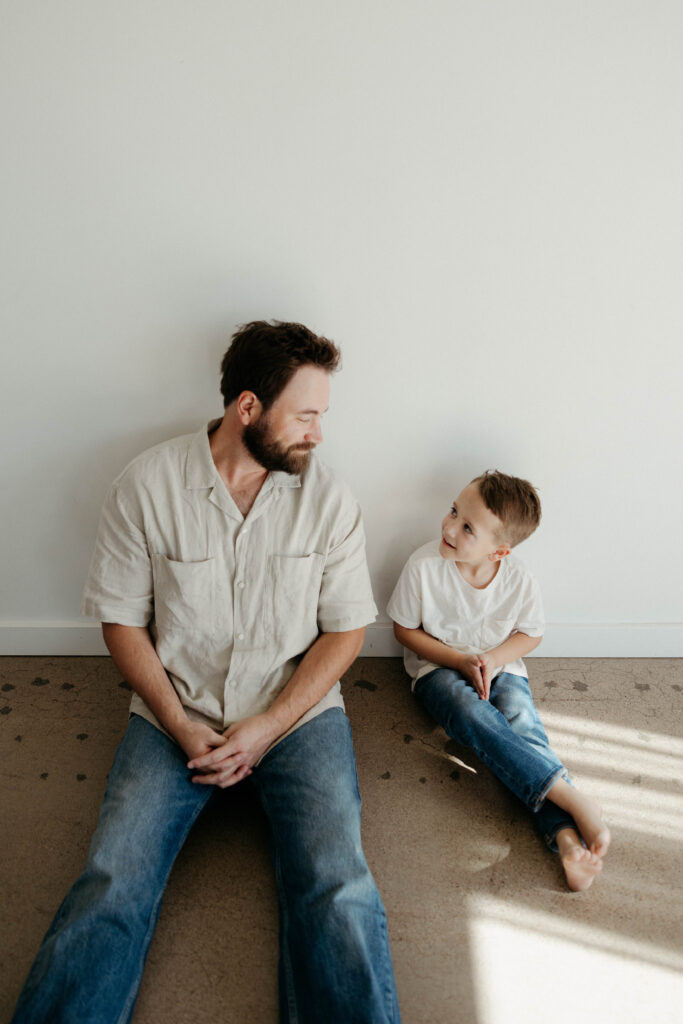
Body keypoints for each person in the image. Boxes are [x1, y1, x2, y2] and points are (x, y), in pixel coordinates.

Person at [13, 320, 401, 1024]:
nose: (318, 434)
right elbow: (122, 623)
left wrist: (268, 726)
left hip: (296, 714)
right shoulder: (146, 486)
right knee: (112, 880)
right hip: (173, 712)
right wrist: (179, 724)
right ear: (247, 409)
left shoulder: (329, 499)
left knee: (338, 884)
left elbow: (346, 631)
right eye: (306, 415)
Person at [387, 470, 610, 892]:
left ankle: (565, 839)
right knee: (473, 717)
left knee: (522, 730)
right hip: (438, 668)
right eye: (454, 511)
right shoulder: (423, 566)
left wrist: (491, 659)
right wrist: (459, 659)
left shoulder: (518, 578)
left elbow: (531, 634)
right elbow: (404, 630)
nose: (449, 526)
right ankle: (569, 795)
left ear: (499, 552)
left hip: (500, 668)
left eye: (467, 527)